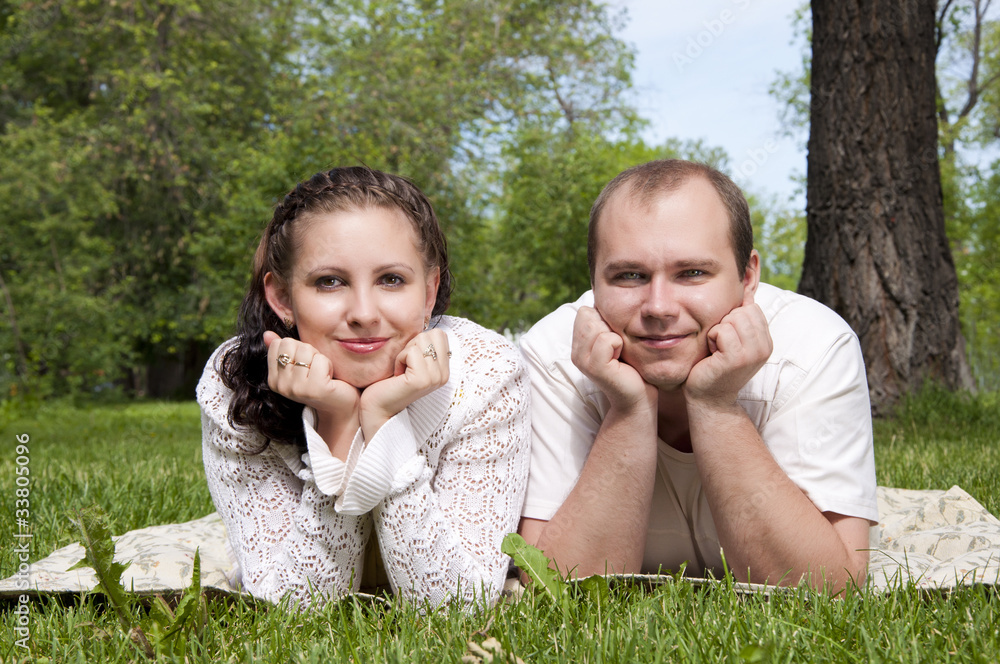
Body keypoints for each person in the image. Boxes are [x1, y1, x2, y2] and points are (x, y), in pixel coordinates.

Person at [518, 159, 877, 593]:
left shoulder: (815, 346)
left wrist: (716, 406)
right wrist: (629, 410)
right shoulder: (553, 356)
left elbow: (829, 589)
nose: (659, 307)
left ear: (748, 278)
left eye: (692, 273)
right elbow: (552, 586)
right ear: (593, 284)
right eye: (629, 276)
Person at [197, 166, 530, 608]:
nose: (364, 313)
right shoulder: (232, 383)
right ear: (282, 298)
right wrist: (337, 426)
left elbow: (455, 607)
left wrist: (383, 420)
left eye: (391, 279)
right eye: (329, 281)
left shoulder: (487, 374)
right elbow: (294, 608)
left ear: (429, 293)